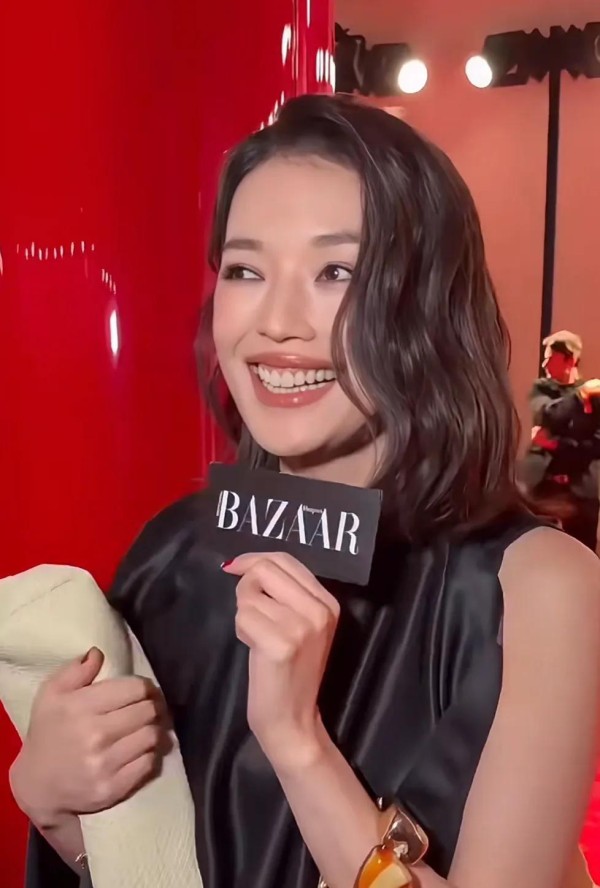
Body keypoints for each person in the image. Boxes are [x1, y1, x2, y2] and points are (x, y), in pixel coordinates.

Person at [9, 95, 600, 888]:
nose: (277, 322)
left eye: (336, 272)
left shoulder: (535, 588)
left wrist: (297, 741)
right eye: (245, 269)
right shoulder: (172, 557)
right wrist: (60, 809)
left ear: (430, 303)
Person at [521, 330, 600, 552]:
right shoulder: (541, 389)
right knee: (537, 551)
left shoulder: (596, 396)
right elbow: (547, 415)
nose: (544, 364)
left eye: (550, 358)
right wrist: (579, 397)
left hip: (580, 490)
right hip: (544, 488)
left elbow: (595, 446)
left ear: (570, 360)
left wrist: (554, 444)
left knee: (582, 554)